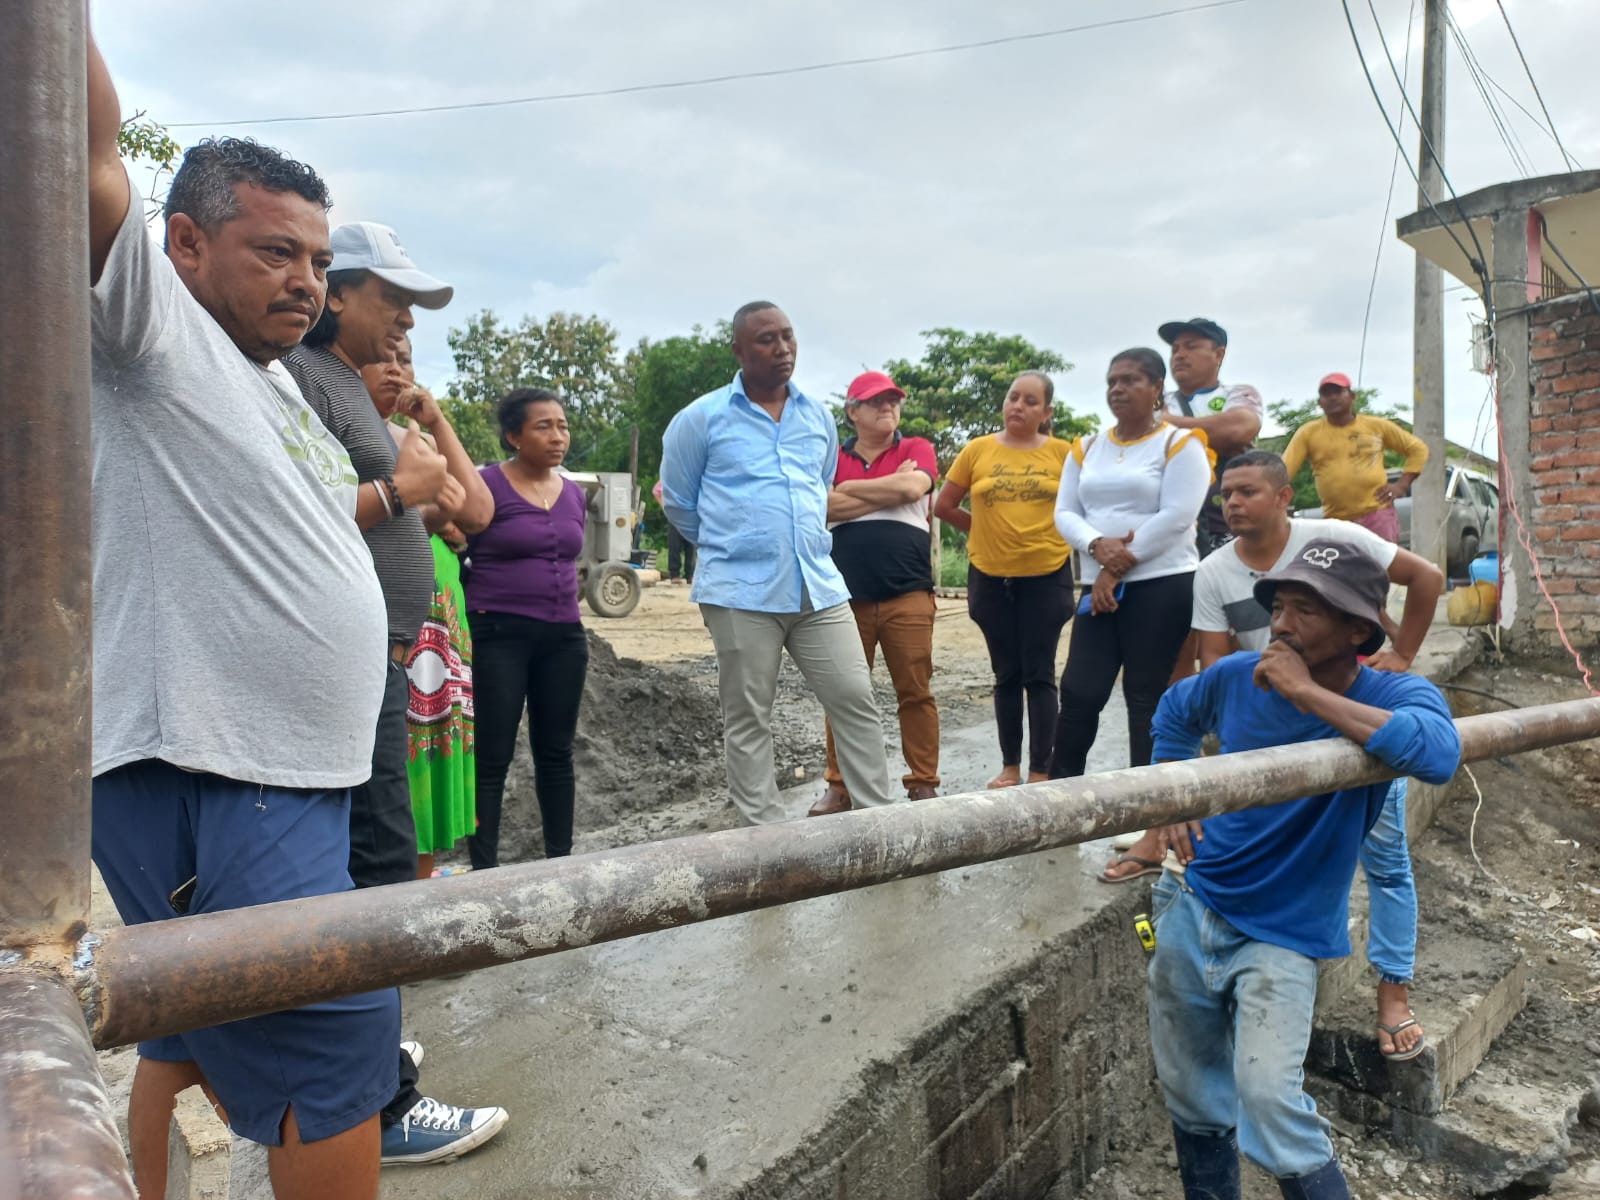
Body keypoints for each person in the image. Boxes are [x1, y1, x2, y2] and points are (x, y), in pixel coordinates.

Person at [86, 29, 395, 1197]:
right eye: (275, 252)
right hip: (217, 768)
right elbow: (86, 147)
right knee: (329, 1037)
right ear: (183, 244)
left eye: (315, 258)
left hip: (274, 767)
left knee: (184, 1034)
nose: (306, 281)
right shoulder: (150, 332)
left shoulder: (267, 382)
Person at [284, 228, 506, 1166]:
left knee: (375, 856)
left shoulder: (345, 385)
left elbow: (464, 508)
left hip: (378, 656)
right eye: (394, 298)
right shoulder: (305, 379)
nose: (407, 319)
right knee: (376, 864)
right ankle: (380, 1106)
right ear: (338, 294)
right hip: (345, 660)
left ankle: (366, 1053)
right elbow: (290, 513)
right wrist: (397, 488)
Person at [1145, 538, 1460, 1199]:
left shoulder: (1393, 690)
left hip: (1284, 934)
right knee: (1192, 1091)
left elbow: (1436, 754)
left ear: (1357, 631)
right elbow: (1174, 711)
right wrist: (1175, 792)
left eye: (1305, 612)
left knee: (1269, 1101)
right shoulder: (1238, 675)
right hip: (1194, 904)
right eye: (1278, 608)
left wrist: (1307, 694)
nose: (1282, 626)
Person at [1115, 450, 1443, 1059]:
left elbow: (1426, 579)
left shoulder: (1337, 540)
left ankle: (1393, 993)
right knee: (1257, 852)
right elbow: (1206, 677)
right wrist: (1181, 787)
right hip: (1272, 723)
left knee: (1385, 862)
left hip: (1351, 718)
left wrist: (1395, 658)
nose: (1233, 504)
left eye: (1247, 491)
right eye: (1226, 494)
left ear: (1284, 496)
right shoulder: (1215, 571)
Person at [661, 302, 892, 824]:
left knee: (855, 697)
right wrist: (734, 547)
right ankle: (766, 841)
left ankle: (880, 824)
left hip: (818, 586)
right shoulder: (700, 419)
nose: (783, 348)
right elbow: (679, 503)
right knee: (748, 715)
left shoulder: (816, 417)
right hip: (739, 592)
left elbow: (821, 486)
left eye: (788, 336)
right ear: (738, 350)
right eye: (767, 339)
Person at [1051, 349, 1213, 779]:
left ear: (1157, 387)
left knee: (1146, 695)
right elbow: (1065, 512)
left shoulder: (1181, 444)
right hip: (1098, 584)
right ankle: (1059, 794)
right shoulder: (1087, 447)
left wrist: (1115, 566)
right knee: (1080, 691)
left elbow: (1178, 515)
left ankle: (1149, 803)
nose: (1117, 389)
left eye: (1130, 380)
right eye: (1112, 382)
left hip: (1162, 583)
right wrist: (1094, 545)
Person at [360, 339, 478, 881]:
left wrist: (435, 421)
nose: (396, 369)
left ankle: (421, 886)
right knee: (394, 765)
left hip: (437, 624)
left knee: (429, 754)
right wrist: (424, 516)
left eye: (405, 359)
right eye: (382, 355)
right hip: (388, 628)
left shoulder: (419, 442)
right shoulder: (342, 434)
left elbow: (478, 510)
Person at [464, 388, 590, 866]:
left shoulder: (574, 494)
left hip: (564, 638)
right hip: (499, 635)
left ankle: (561, 860)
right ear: (514, 436)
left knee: (556, 753)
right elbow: (456, 544)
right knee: (492, 756)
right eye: (544, 426)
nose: (558, 436)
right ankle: (485, 871)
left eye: (562, 425)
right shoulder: (486, 485)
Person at [932, 372, 1074, 788]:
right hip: (991, 577)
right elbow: (944, 505)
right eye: (1014, 397)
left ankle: (1040, 771)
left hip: (1047, 574)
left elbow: (1081, 510)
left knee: (1040, 674)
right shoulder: (977, 449)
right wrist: (983, 529)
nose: (1018, 406)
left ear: (1046, 412)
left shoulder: (1065, 454)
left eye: (1031, 401)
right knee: (1006, 674)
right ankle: (1010, 767)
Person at [809, 370, 940, 815]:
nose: (888, 407)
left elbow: (913, 486)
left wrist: (848, 491)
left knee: (915, 691)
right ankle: (839, 785)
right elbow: (820, 504)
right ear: (852, 411)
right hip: (844, 598)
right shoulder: (831, 457)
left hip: (909, 593)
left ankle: (923, 783)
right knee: (843, 693)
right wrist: (885, 490)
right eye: (875, 401)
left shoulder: (916, 448)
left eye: (892, 400)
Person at [1156, 317, 1264, 557]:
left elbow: (1237, 430)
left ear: (1219, 354)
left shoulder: (1239, 393)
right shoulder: (1159, 402)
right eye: (1175, 349)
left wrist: (1167, 425)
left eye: (1191, 346)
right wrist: (1214, 435)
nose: (1179, 355)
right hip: (1177, 532)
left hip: (1234, 527)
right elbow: (1144, 440)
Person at [1281, 372, 1429, 541]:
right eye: (1326, 394)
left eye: (1338, 392)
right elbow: (1283, 471)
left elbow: (1418, 449)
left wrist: (1401, 486)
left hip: (1377, 514)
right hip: (1337, 520)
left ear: (1352, 396)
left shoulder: (1376, 426)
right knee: (1342, 559)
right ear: (1320, 403)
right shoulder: (1308, 433)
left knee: (1381, 558)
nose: (1333, 397)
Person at [651, 478, 696, 583]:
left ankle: (690, 575)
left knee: (691, 546)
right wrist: (665, 507)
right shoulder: (670, 476)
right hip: (675, 514)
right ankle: (675, 574)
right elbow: (656, 491)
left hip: (690, 514)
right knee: (675, 545)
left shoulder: (692, 476)